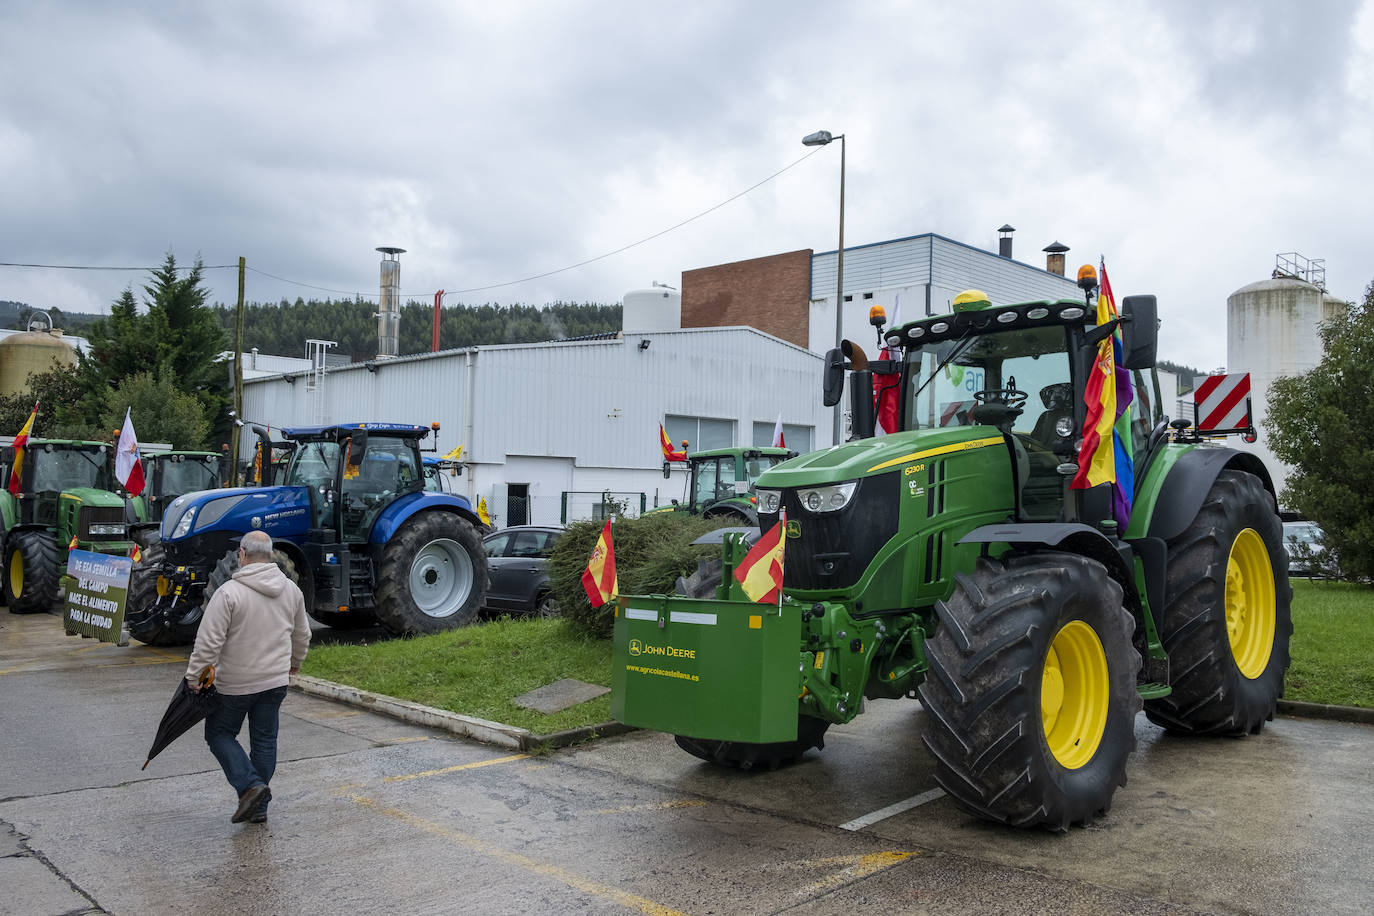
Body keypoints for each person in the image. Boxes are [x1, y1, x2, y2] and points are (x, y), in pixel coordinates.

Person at [185, 530, 310, 825]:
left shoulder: (228, 593)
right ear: (269, 555)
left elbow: (208, 643)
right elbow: (302, 633)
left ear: (242, 554)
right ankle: (259, 808)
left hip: (234, 685)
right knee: (265, 740)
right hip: (275, 682)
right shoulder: (291, 591)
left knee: (218, 735)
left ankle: (250, 787)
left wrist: (194, 677)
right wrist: (295, 661)